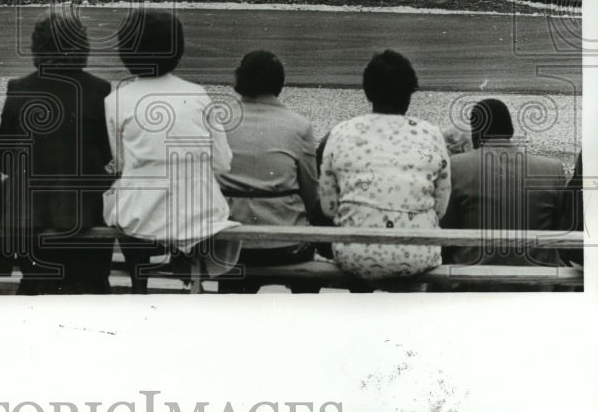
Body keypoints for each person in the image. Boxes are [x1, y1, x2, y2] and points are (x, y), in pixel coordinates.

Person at [0, 10, 115, 295]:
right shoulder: (100, 90)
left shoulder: (19, 89)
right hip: (84, 215)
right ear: (81, 45)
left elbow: (7, 155)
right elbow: (106, 154)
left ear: (39, 46)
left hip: (29, 216)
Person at [103, 9, 239, 293]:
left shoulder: (116, 100)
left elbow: (120, 162)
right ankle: (194, 281)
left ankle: (138, 285)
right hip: (198, 214)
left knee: (123, 199)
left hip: (141, 215)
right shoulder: (197, 94)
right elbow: (223, 162)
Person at [319, 49, 451, 281]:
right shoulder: (430, 135)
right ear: (410, 93)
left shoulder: (341, 132)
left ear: (368, 93)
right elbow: (440, 207)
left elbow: (328, 207)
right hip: (417, 255)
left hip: (354, 255)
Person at [216, 51, 326, 293]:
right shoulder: (298, 126)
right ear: (279, 82)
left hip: (231, 246)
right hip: (286, 245)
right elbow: (311, 194)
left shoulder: (217, 122)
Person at [440, 98, 568, 271]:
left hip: (472, 281)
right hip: (539, 280)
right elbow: (559, 229)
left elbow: (446, 232)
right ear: (510, 130)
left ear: (476, 134)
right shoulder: (553, 169)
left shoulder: (457, 165)